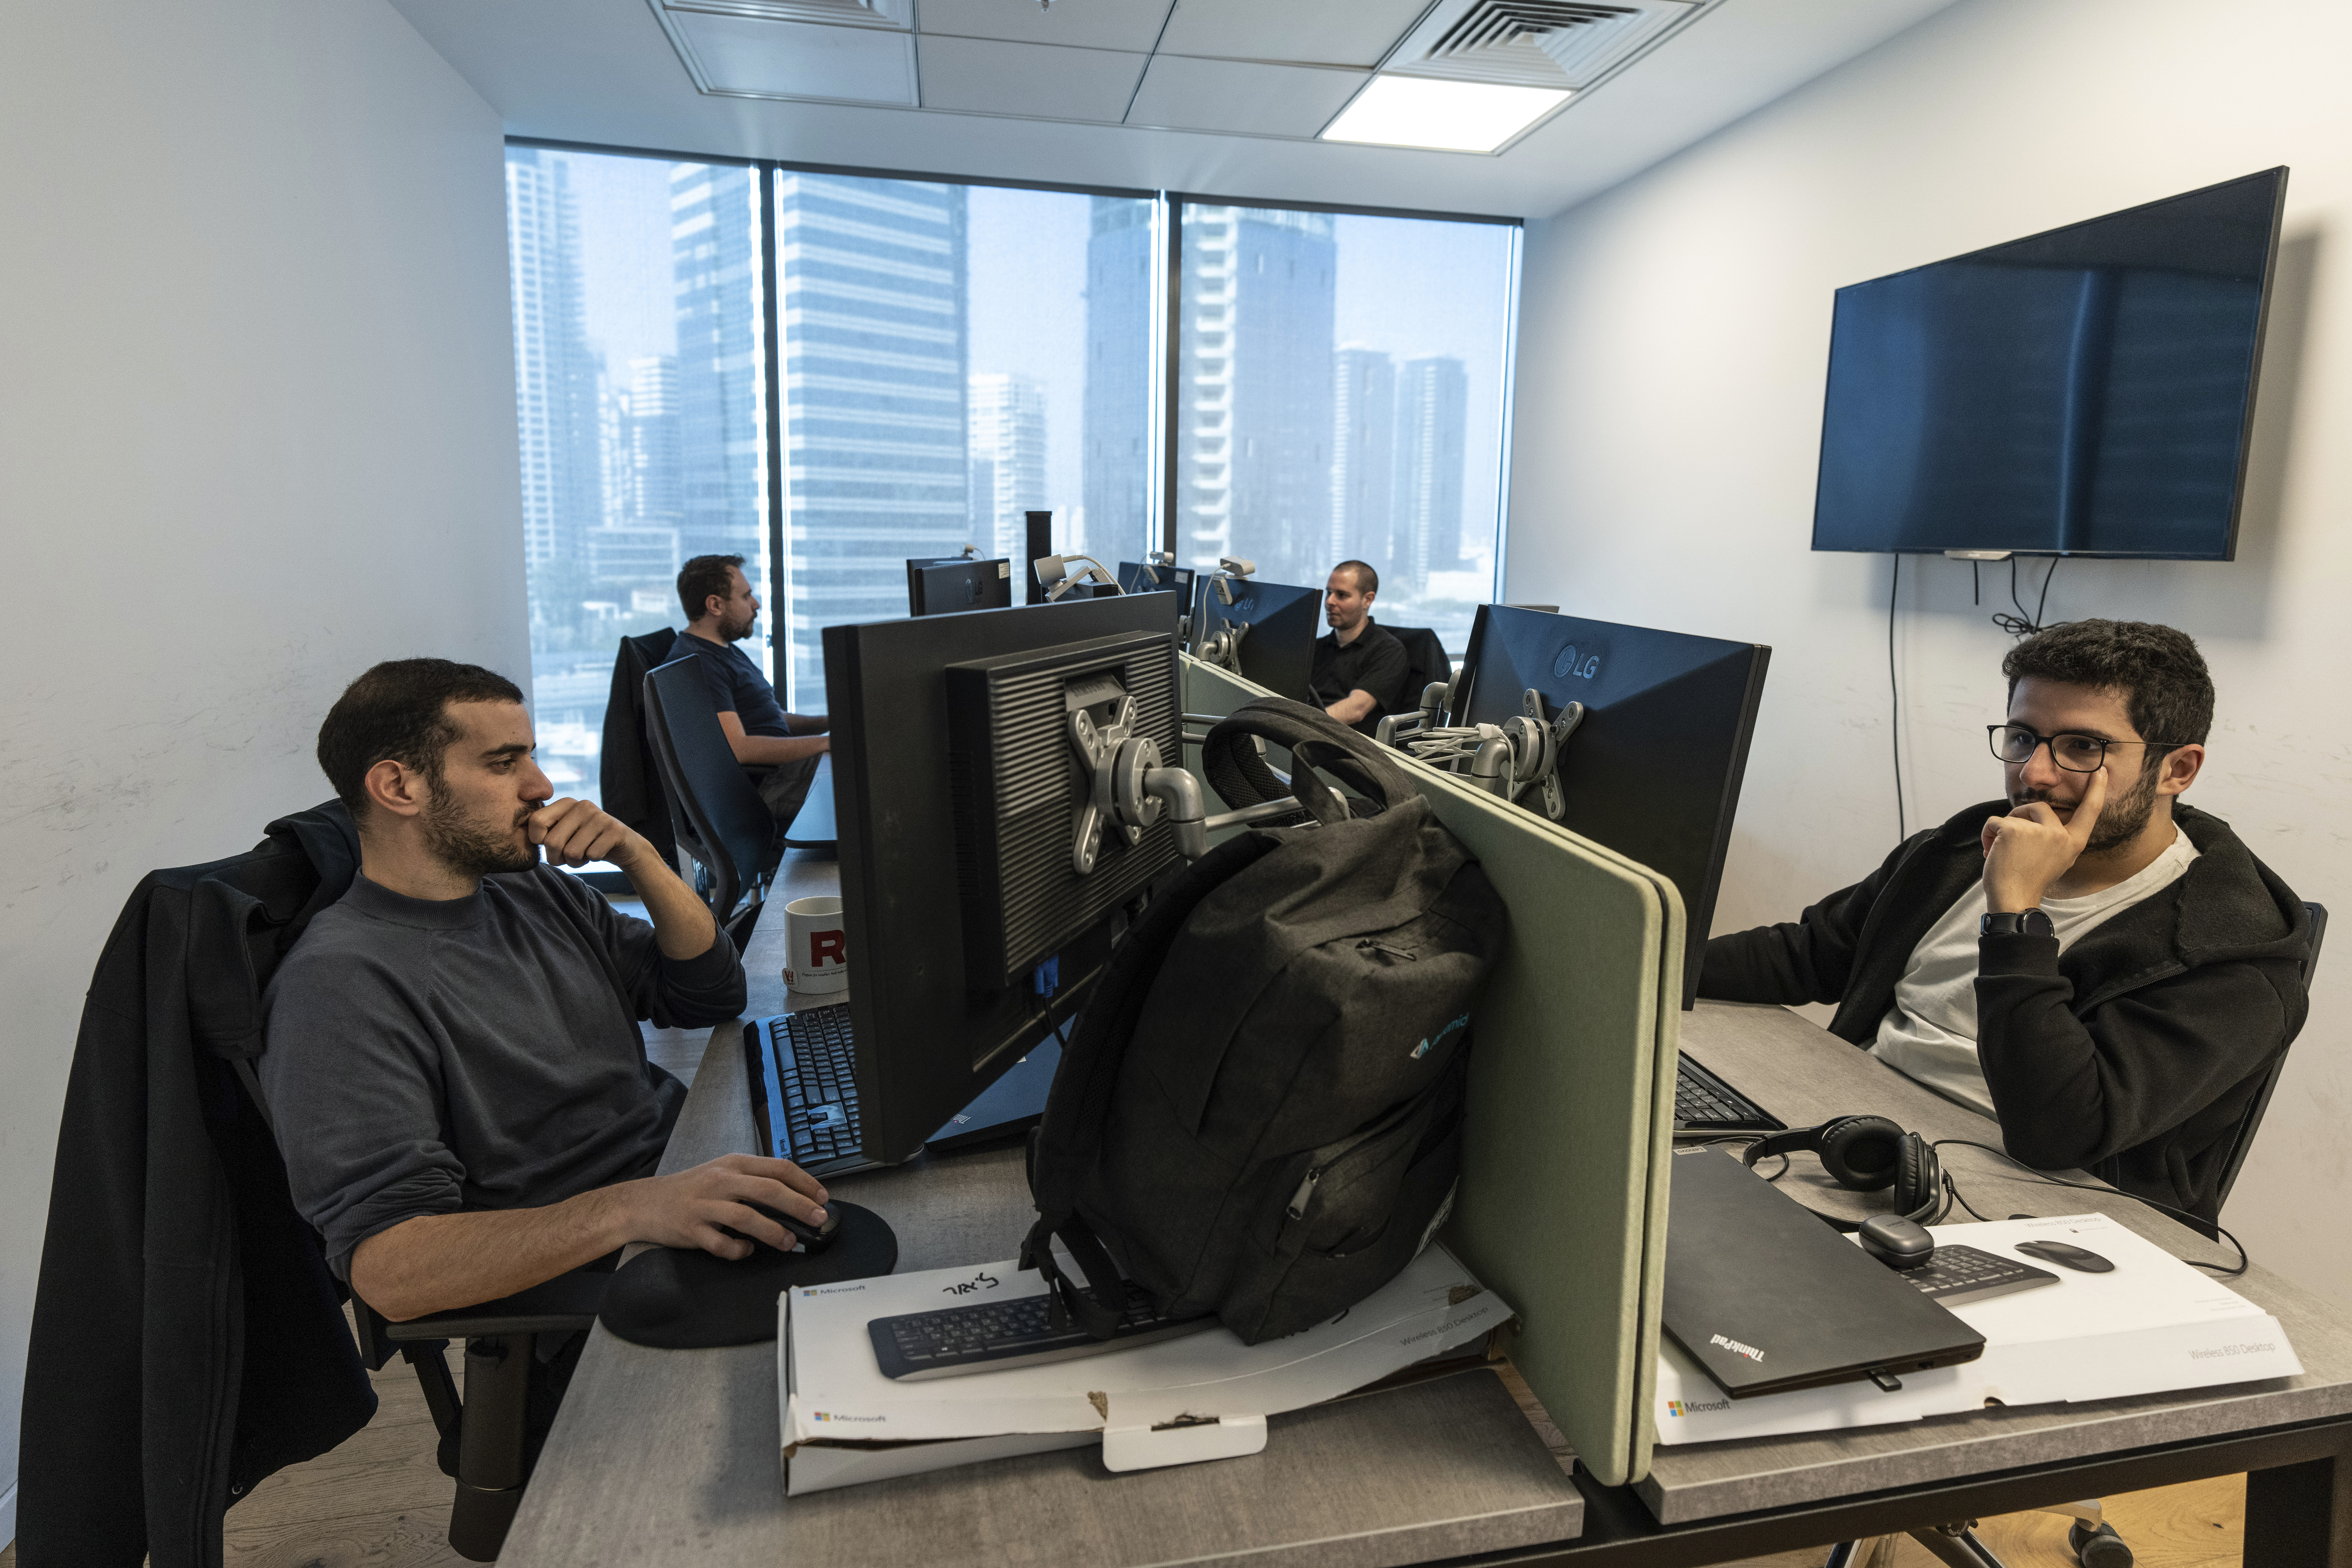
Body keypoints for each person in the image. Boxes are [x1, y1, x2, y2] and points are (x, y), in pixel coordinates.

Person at [261, 659, 831, 1332]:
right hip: (606, 1269)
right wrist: (634, 1207)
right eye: (504, 764)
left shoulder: (530, 889)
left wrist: (639, 855)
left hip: (683, 1175)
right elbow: (391, 1269)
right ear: (397, 785)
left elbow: (707, 993)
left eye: (530, 755)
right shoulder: (340, 985)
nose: (541, 785)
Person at [1701, 619, 2309, 1220]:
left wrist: (2015, 914)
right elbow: (1809, 954)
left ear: (2178, 770)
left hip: (2038, 1210)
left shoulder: (2232, 954)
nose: (2035, 773)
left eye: (2082, 747)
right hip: (1857, 1139)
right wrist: (1632, 955)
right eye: (2023, 738)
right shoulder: (1965, 844)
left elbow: (2059, 1131)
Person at [673, 553, 829, 829]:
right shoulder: (699, 664)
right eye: (746, 597)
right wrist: (826, 743)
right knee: (875, 768)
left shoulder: (721, 649)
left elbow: (767, 717)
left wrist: (830, 723)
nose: (756, 605)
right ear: (715, 605)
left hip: (778, 775)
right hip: (763, 790)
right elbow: (739, 748)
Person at [1310, 560, 1410, 735]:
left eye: (1341, 595)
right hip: (1304, 734)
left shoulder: (1389, 651)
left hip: (1347, 748)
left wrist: (1298, 723)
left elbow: (1356, 709)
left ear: (1368, 600)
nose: (1329, 602)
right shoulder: (1316, 648)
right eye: (1329, 593)